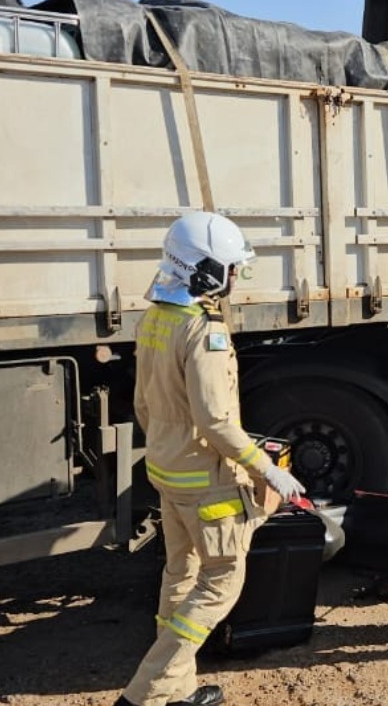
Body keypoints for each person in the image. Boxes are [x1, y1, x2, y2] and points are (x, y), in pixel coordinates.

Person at [115, 211, 305, 706]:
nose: (235, 276)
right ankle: (143, 696)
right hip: (207, 480)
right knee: (221, 582)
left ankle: (176, 692)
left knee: (180, 575)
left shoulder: (154, 319)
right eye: (230, 267)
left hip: (167, 470)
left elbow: (142, 404)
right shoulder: (204, 330)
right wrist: (266, 469)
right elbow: (217, 421)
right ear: (204, 270)